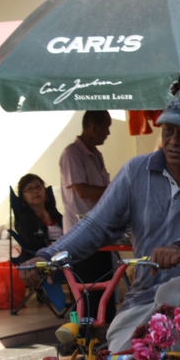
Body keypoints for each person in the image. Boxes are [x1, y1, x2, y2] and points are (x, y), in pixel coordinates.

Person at [21, 87, 180, 352]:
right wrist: (48, 256)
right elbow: (96, 224)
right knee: (119, 351)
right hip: (145, 293)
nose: (173, 141)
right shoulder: (135, 171)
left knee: (174, 295)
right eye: (169, 130)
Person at [58, 110, 117, 320]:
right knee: (86, 288)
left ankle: (103, 332)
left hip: (100, 231)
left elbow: (102, 189)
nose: (108, 133)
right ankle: (84, 334)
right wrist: (115, 192)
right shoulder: (72, 154)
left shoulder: (96, 155)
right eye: (106, 128)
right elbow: (82, 190)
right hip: (80, 232)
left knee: (104, 285)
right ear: (93, 127)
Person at [12, 173, 68, 311]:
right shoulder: (24, 219)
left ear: (45, 191)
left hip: (66, 255)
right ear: (23, 197)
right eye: (29, 189)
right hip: (42, 259)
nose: (35, 191)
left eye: (38, 187)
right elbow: (32, 244)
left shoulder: (55, 214)